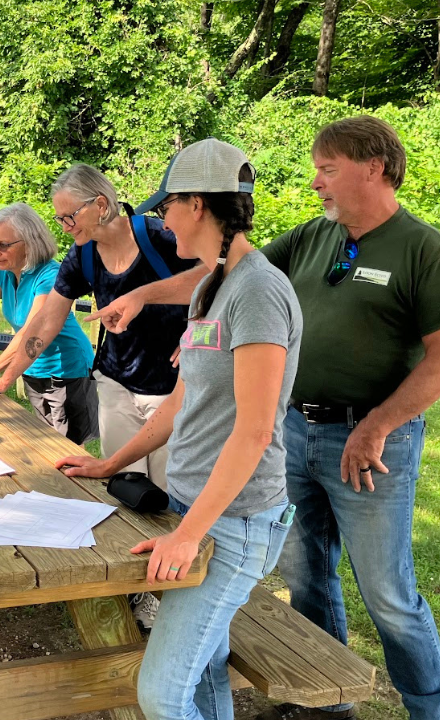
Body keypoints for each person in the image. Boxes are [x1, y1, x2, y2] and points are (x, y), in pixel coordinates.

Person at [93, 116, 440, 720]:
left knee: (388, 595)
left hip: (368, 442)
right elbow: (218, 275)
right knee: (309, 576)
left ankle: (436, 710)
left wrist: (376, 425)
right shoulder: (310, 238)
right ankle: (327, 704)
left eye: (328, 169)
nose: (316, 182)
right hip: (296, 430)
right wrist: (145, 300)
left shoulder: (421, 247)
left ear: (374, 168)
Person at [55, 138, 302, 720]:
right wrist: (109, 464)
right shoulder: (210, 287)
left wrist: (189, 533)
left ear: (197, 205)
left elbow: (255, 431)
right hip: (197, 508)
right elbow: (180, 403)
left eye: (166, 205)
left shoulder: (259, 291)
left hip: (234, 523)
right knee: (206, 670)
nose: (159, 217)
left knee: (161, 694)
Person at [0, 163, 205, 490]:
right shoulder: (82, 255)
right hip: (116, 383)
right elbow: (47, 320)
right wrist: (6, 378)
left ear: (101, 205)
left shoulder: (160, 237)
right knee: (123, 488)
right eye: (60, 219)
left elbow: (219, 279)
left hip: (171, 388)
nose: (65, 227)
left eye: (70, 216)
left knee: (166, 488)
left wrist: (196, 335)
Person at [0, 203, 98, 443]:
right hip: (30, 368)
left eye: (3, 245)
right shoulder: (4, 271)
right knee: (45, 443)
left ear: (30, 243)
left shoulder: (50, 276)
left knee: (65, 449)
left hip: (67, 372)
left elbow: (30, 331)